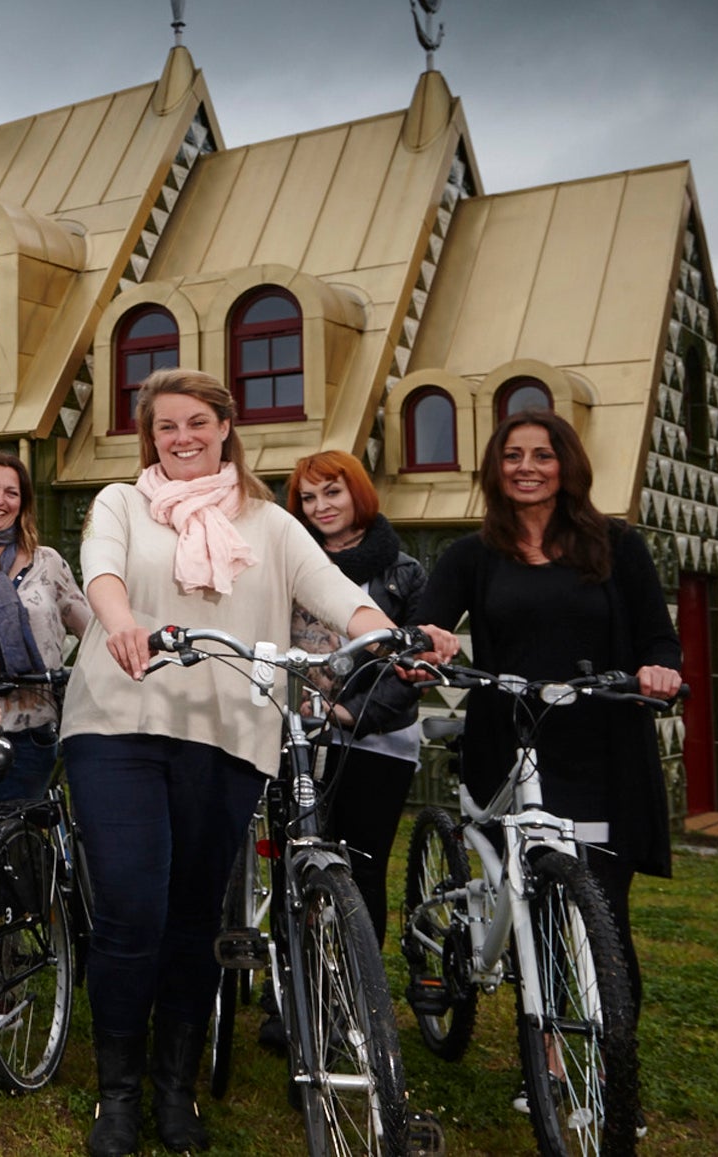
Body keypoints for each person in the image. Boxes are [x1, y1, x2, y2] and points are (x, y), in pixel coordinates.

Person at [61, 369, 452, 1156]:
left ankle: (174, 1089)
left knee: (194, 916)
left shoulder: (270, 524)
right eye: (167, 426)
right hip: (118, 723)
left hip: (230, 731)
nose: (182, 438)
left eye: (198, 422)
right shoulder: (122, 503)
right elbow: (102, 569)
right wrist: (122, 624)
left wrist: (388, 634)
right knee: (133, 906)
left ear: (225, 427)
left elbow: (337, 592)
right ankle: (119, 1093)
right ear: (151, 436)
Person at [407, 409, 681, 1022]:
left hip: (603, 745)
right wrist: (427, 644)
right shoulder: (472, 556)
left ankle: (611, 1066)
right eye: (513, 455)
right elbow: (430, 621)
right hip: (513, 745)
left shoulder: (619, 546)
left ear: (567, 465)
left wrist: (660, 671)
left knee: (602, 904)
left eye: (542, 455)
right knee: (536, 900)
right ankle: (552, 1053)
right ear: (496, 469)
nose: (526, 467)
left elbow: (659, 641)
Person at [264, 450, 427, 1050]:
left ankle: (354, 997)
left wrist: (351, 712)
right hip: (293, 735)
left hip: (376, 742)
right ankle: (290, 998)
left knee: (359, 869)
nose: (320, 507)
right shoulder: (285, 561)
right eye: (307, 498)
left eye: (331, 492)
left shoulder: (403, 572)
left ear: (357, 493)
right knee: (293, 863)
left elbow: (410, 664)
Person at [0, 451, 93, 803]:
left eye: (11, 493)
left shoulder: (48, 563)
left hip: (33, 731)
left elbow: (93, 632)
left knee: (21, 841)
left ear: (23, 503)